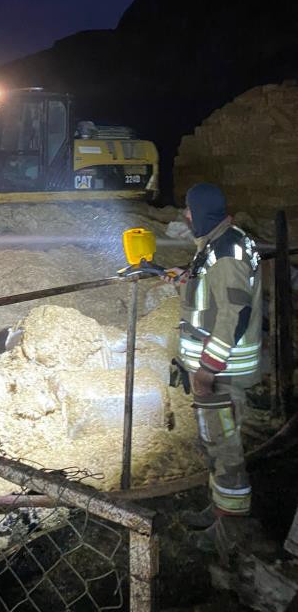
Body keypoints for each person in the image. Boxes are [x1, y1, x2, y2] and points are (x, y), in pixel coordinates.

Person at [173, 183, 262, 555]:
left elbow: (234, 313)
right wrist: (186, 281)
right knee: (214, 446)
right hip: (216, 372)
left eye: (190, 210)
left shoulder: (226, 251)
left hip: (222, 374)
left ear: (203, 211)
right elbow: (215, 295)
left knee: (226, 452)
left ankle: (230, 536)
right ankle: (218, 511)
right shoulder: (219, 242)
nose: (186, 216)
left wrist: (207, 369)